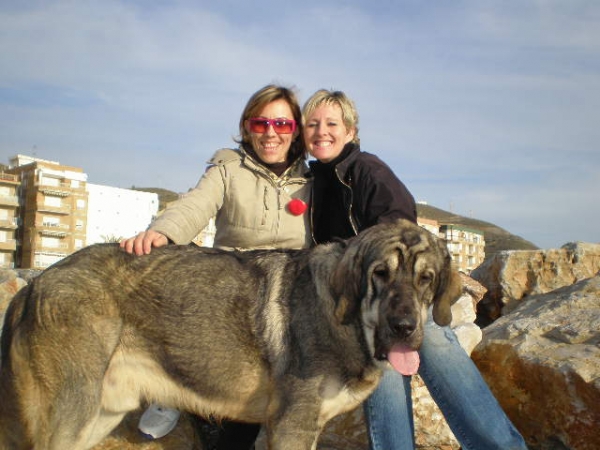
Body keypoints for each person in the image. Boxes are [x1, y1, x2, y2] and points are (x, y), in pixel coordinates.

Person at [302, 88, 528, 450]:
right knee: (385, 369)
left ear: (350, 131)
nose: (321, 131)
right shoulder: (313, 182)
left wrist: (360, 266)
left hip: (395, 294)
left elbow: (400, 228)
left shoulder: (366, 169)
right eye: (312, 124)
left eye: (331, 123)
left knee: (433, 343)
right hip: (359, 304)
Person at [121, 83, 310, 449]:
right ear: (246, 127)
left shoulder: (312, 180)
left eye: (283, 125)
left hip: (285, 297)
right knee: (180, 266)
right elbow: (194, 205)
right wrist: (161, 232)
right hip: (233, 290)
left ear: (296, 130)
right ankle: (170, 391)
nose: (271, 133)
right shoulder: (228, 168)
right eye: (261, 124)